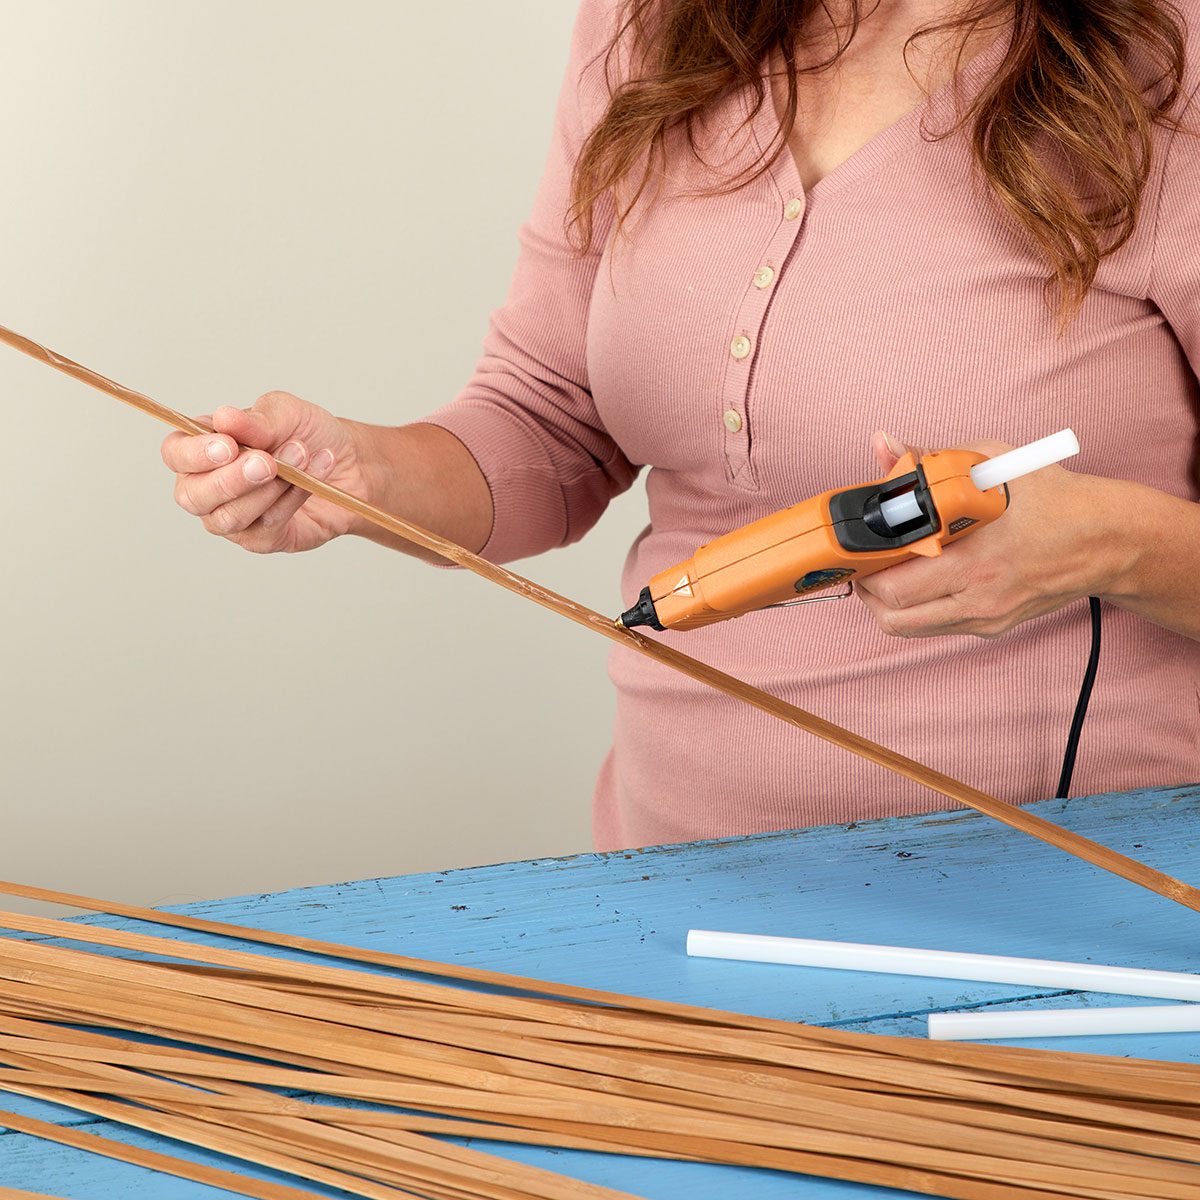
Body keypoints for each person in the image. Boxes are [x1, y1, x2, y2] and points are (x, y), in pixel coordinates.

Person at [161, 0, 1200, 850]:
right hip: (672, 885)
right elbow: (549, 418)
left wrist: (1108, 543)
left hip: (1080, 905)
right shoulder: (650, 24)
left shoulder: (1167, 57)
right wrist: (359, 477)